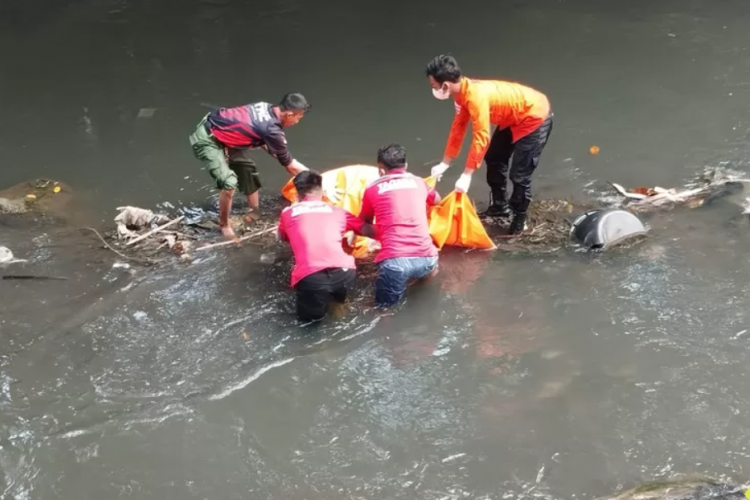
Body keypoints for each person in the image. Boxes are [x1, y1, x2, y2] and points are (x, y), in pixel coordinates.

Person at [426, 54, 553, 235]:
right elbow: (458, 128)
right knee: (494, 157)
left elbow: (481, 136)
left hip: (534, 115)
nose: (433, 89)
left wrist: (467, 175)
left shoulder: (475, 97)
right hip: (512, 117)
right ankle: (500, 206)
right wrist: (445, 163)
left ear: (445, 85)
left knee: (519, 175)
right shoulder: (460, 94)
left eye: (433, 86)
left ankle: (519, 220)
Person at [190, 93, 311, 240]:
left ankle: (254, 211)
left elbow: (268, 144)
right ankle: (225, 226)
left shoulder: (266, 107)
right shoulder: (272, 129)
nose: (298, 121)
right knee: (229, 183)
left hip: (226, 132)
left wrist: (280, 155)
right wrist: (317, 180)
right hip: (208, 138)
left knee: (248, 169)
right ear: (289, 114)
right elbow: (291, 166)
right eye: (298, 117)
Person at [278, 170, 375, 323]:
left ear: (297, 193)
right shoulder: (339, 211)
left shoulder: (287, 213)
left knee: (309, 326)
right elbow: (368, 230)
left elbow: (283, 237)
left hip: (311, 276)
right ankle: (339, 308)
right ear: (322, 191)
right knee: (338, 306)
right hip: (345, 272)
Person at [359, 144, 441, 308]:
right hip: (428, 260)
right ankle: (414, 288)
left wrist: (377, 234)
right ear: (406, 166)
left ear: (381, 170)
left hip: (395, 263)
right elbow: (437, 200)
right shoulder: (420, 182)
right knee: (428, 273)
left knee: (382, 311)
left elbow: (365, 223)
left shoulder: (372, 189)